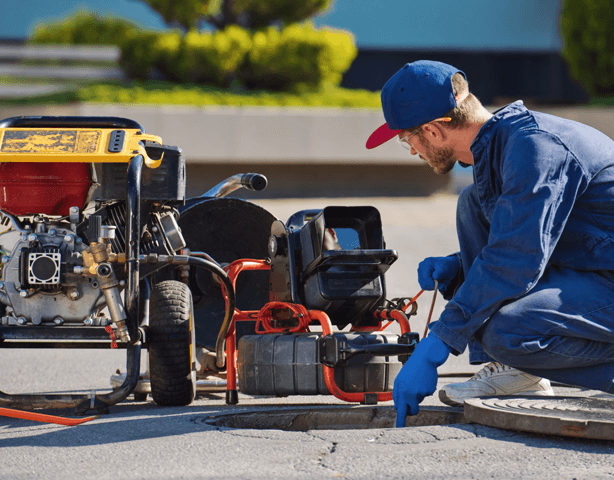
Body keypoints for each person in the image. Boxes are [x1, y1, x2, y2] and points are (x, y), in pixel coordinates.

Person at [366, 60, 614, 427]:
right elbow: (526, 237)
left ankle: (527, 362)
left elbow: (514, 261)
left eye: (408, 140)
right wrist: (459, 265)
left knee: (508, 331)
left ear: (433, 131)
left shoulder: (535, 149)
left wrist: (435, 347)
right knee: (473, 205)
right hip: (595, 269)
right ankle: (518, 375)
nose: (414, 152)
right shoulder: (504, 148)